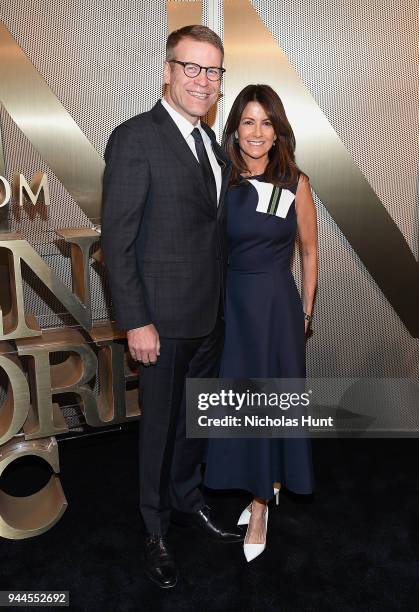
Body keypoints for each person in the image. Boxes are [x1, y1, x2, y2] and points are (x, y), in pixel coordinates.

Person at [101, 25, 244, 590]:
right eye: (192, 68)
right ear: (167, 70)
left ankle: (187, 501)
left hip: (208, 318)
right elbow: (118, 240)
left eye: (213, 71)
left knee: (193, 424)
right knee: (158, 429)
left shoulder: (213, 144)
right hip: (159, 323)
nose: (202, 81)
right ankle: (154, 529)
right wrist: (136, 319)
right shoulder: (137, 137)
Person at [204, 84, 318, 561]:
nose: (256, 132)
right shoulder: (220, 177)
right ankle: (255, 483)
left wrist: (307, 312)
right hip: (230, 309)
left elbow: (310, 252)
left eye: (265, 122)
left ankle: (260, 504)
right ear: (235, 127)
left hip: (275, 309)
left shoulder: (295, 183)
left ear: (278, 131)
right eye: (248, 121)